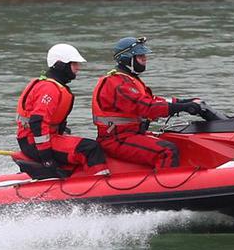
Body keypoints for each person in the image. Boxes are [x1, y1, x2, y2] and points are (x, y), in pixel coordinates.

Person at [91, 36, 205, 170]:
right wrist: (182, 107)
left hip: (131, 134)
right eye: (140, 57)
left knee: (176, 140)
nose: (144, 60)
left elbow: (152, 100)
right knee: (167, 151)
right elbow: (146, 107)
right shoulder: (117, 84)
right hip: (116, 139)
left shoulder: (129, 80)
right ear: (127, 59)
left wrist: (183, 102)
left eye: (144, 56)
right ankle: (166, 188)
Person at [16, 43, 106, 179]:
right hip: (33, 143)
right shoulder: (49, 88)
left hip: (39, 139)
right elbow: (38, 122)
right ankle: (99, 183)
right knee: (90, 148)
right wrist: (46, 158)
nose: (78, 68)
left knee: (89, 145)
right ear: (60, 65)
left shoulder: (53, 86)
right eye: (74, 63)